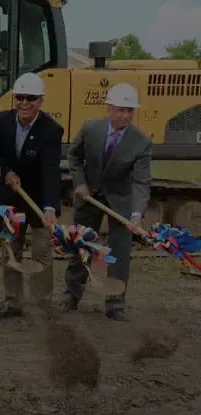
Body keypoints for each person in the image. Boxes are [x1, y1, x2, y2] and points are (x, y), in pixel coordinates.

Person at [64, 83, 151, 321]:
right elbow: (74, 156)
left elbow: (141, 183)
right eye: (121, 109)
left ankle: (115, 304)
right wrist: (79, 182)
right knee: (81, 246)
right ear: (109, 108)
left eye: (130, 111)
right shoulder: (91, 128)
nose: (125, 115)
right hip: (89, 196)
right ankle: (71, 295)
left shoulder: (140, 142)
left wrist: (135, 215)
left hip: (121, 201)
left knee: (120, 253)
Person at [0, 72, 63, 319]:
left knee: (41, 252)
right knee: (11, 250)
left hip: (39, 199)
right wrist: (7, 173)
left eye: (30, 98)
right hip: (11, 200)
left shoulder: (51, 130)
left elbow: (51, 171)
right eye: (20, 97)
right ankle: (12, 302)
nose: (24, 102)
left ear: (40, 100)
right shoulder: (2, 121)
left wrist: (50, 208)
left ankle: (41, 304)